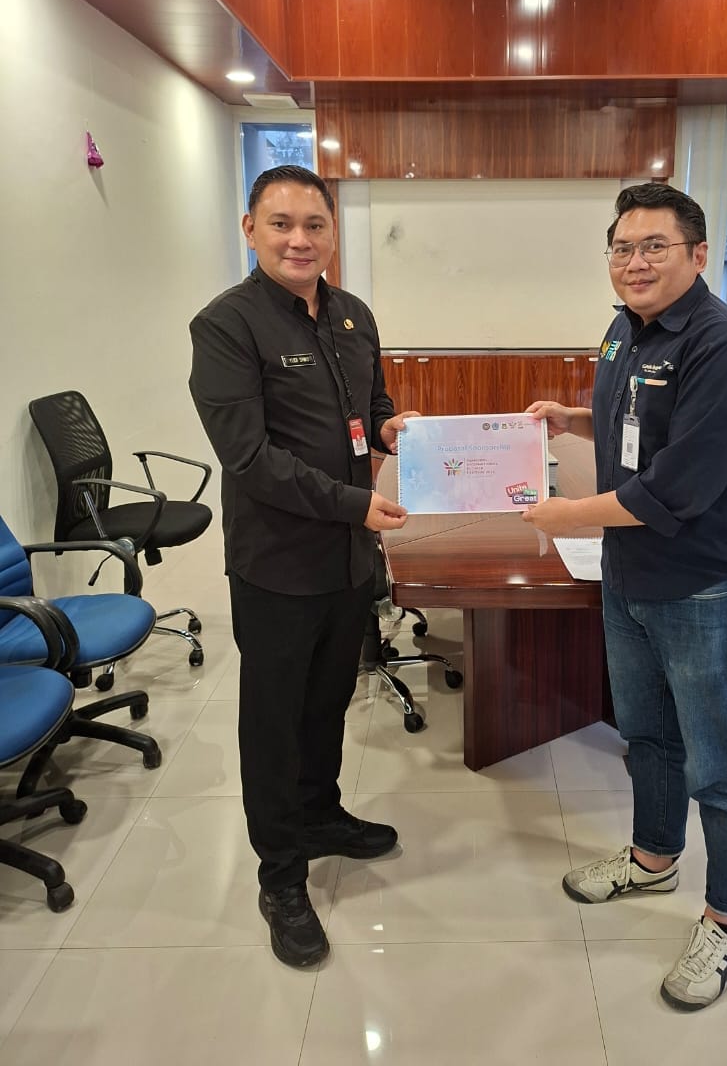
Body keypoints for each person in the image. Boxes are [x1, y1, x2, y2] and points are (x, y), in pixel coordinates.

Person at [522, 181, 727, 1012]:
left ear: (698, 254)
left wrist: (563, 515)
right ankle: (653, 859)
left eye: (654, 246)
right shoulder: (624, 328)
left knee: (719, 763)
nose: (635, 262)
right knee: (647, 736)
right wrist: (570, 418)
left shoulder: (725, 345)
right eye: (623, 247)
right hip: (629, 572)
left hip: (705, 583)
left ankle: (726, 921)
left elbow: (676, 488)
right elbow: (635, 423)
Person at [189, 164, 417, 969]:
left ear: (332, 232)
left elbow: (371, 405)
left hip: (348, 558)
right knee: (274, 723)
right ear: (249, 229)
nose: (299, 239)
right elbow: (249, 459)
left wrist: (389, 429)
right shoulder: (227, 326)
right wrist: (355, 503)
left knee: (328, 703)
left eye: (314, 224)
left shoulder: (353, 315)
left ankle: (321, 815)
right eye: (280, 223)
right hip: (277, 564)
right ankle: (281, 875)